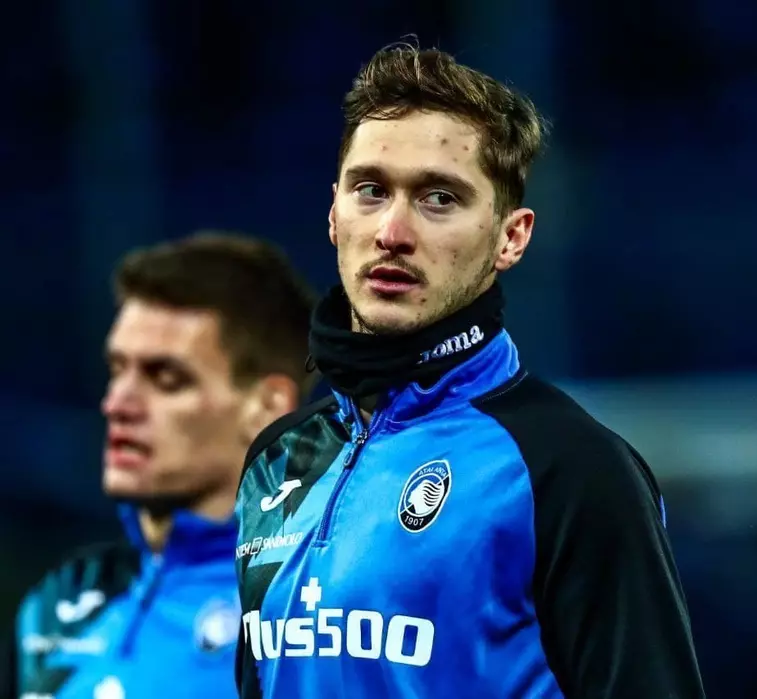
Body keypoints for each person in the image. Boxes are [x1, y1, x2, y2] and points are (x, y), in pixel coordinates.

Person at [234, 43, 705, 699]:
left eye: (438, 198)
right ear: (335, 213)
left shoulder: (572, 470)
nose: (393, 231)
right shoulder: (275, 461)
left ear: (511, 236)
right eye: (371, 190)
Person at [4, 232, 317, 698]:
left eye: (166, 378)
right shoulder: (60, 600)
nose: (117, 404)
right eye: (117, 370)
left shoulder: (313, 612)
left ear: (267, 407)